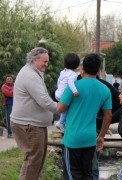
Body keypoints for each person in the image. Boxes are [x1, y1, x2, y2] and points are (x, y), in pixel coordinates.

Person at [58, 53, 112, 179]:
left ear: (82, 69)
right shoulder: (104, 89)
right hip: (90, 139)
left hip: (72, 139)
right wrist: (101, 136)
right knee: (87, 174)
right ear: (98, 70)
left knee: (72, 175)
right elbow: (108, 117)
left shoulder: (74, 86)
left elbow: (60, 108)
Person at [10, 47, 58, 180]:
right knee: (32, 160)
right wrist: (63, 107)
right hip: (29, 125)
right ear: (34, 60)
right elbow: (45, 101)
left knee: (37, 160)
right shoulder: (30, 75)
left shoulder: (33, 72)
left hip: (32, 124)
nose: (46, 65)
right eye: (45, 61)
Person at [55, 53, 80, 132]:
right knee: (67, 109)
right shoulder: (73, 74)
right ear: (77, 64)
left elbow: (59, 80)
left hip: (58, 93)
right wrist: (75, 91)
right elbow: (70, 82)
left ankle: (62, 122)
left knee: (64, 108)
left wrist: (59, 88)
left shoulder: (63, 72)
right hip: (63, 94)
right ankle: (61, 123)